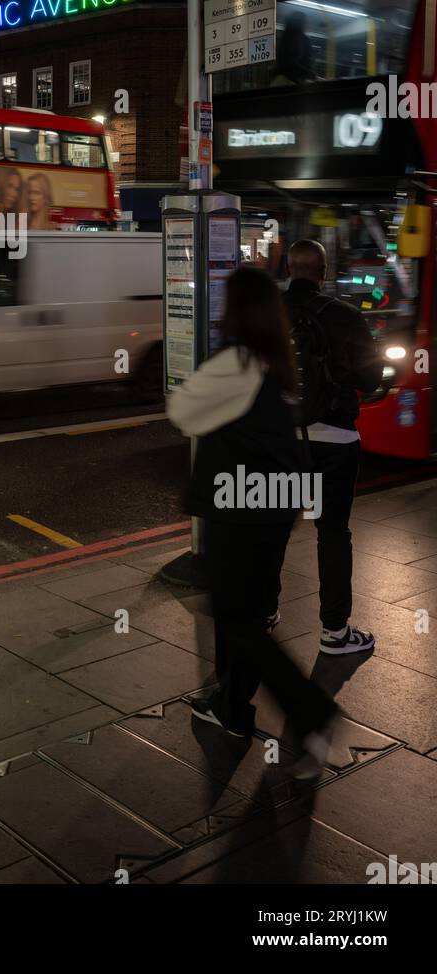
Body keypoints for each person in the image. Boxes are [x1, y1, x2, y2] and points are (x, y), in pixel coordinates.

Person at [167, 265, 337, 778]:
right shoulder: (276, 360)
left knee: (239, 620)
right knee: (250, 615)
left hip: (238, 509)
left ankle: (310, 714)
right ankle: (233, 710)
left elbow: (183, 411)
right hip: (274, 507)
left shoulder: (236, 360)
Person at [283, 238, 383, 655]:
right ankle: (335, 633)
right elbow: (372, 379)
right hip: (335, 443)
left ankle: (265, 615)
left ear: (289, 268)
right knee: (333, 534)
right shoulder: (345, 317)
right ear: (323, 272)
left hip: (281, 444)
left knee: (272, 533)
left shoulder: (266, 316)